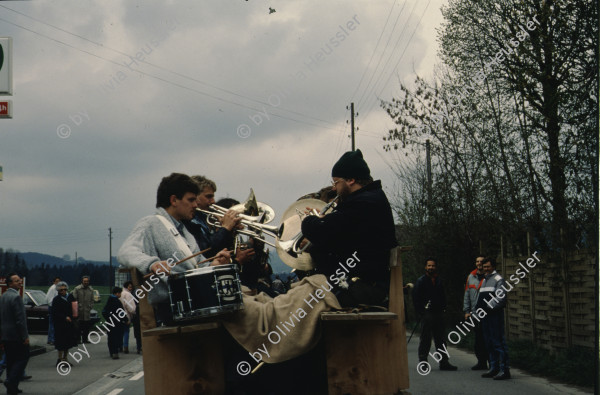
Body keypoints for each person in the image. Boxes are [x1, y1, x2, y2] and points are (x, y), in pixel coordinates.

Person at [117, 173, 231, 325]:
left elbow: (199, 264)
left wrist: (214, 264)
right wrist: (151, 263)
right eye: (191, 200)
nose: (195, 205)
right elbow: (125, 252)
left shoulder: (185, 231)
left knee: (253, 304)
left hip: (196, 302)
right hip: (174, 308)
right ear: (174, 200)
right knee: (246, 312)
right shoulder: (150, 223)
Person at [301, 149, 397, 307]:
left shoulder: (363, 203)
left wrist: (308, 220)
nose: (334, 188)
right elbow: (337, 232)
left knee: (297, 305)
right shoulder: (369, 199)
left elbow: (319, 232)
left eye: (336, 182)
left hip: (361, 289)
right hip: (357, 284)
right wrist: (325, 221)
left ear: (351, 180)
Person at [412, 258, 458, 371]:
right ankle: (423, 362)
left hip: (439, 313)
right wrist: (421, 312)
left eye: (432, 266)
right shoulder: (421, 281)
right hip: (427, 314)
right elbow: (416, 299)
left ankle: (444, 362)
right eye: (429, 265)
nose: (431, 267)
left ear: (435, 267)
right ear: (425, 267)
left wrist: (444, 308)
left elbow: (443, 296)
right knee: (425, 339)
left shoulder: (439, 280)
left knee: (441, 339)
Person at [183, 175, 242, 258]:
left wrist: (230, 232)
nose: (213, 201)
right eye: (209, 196)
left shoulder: (206, 218)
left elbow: (222, 248)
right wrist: (225, 228)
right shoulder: (190, 221)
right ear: (195, 196)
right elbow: (207, 251)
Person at [476, 257, 510, 380]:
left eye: (488, 266)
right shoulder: (485, 280)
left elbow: (500, 299)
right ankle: (493, 368)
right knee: (489, 342)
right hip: (485, 316)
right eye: (484, 267)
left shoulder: (498, 279)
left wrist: (488, 308)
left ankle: (504, 370)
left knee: (498, 342)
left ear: (493, 267)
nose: (486, 269)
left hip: (494, 315)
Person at [0, 273, 29, 395]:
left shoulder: (3, 297)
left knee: (11, 360)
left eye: (19, 280)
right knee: (23, 357)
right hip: (16, 335)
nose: (19, 283)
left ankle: (12, 386)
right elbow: (20, 320)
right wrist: (25, 336)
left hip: (5, 335)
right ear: (10, 283)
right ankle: (11, 381)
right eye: (17, 281)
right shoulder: (16, 298)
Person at [463, 255, 488, 370]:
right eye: (477, 261)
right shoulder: (471, 277)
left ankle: (492, 363)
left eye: (481, 261)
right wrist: (466, 311)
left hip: (488, 313)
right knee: (478, 340)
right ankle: (481, 362)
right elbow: (467, 295)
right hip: (475, 314)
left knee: (489, 338)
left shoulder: (490, 277)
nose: (479, 263)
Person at [52, 282, 77, 367]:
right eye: (61, 290)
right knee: (60, 342)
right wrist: (64, 317)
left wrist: (75, 316)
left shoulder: (70, 297)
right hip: (60, 324)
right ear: (58, 290)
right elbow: (54, 312)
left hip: (69, 323)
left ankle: (65, 358)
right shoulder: (56, 299)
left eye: (64, 289)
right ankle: (60, 359)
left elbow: (74, 307)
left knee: (68, 342)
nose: (63, 291)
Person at [103, 287, 128, 359]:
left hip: (110, 322)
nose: (120, 295)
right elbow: (121, 312)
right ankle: (115, 352)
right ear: (117, 293)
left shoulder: (109, 300)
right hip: (117, 323)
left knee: (110, 338)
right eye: (120, 293)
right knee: (117, 337)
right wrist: (126, 320)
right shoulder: (117, 301)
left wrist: (108, 318)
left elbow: (104, 312)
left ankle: (112, 352)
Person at [72, 276, 95, 343]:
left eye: (87, 281)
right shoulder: (77, 289)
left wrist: (90, 306)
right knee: (78, 327)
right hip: (79, 311)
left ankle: (85, 339)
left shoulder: (90, 290)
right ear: (82, 281)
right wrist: (76, 308)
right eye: (85, 281)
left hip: (87, 311)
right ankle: (78, 339)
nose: (86, 282)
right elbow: (74, 299)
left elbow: (92, 300)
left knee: (86, 327)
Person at [120, 281, 136, 354]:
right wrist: (133, 311)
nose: (131, 288)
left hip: (119, 315)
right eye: (130, 287)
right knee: (126, 331)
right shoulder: (128, 294)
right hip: (126, 315)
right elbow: (130, 306)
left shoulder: (120, 293)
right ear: (127, 287)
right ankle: (125, 346)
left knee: (120, 332)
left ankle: (119, 346)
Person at [45, 276, 61, 346]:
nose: (58, 282)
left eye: (59, 281)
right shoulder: (53, 288)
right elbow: (49, 300)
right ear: (54, 282)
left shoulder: (57, 288)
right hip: (52, 307)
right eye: (56, 281)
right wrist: (54, 307)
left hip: (55, 307)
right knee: (52, 324)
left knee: (54, 324)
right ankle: (51, 339)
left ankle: (52, 339)